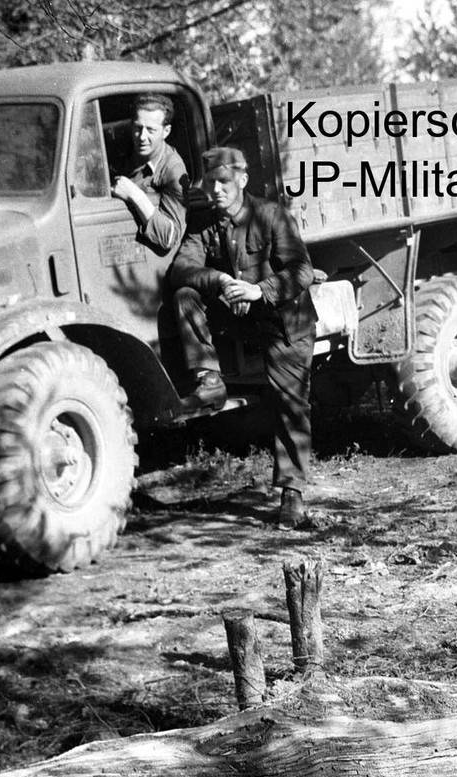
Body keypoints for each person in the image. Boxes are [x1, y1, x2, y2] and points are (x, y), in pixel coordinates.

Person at [167, 147, 318, 530]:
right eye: (211, 183)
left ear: (242, 181)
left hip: (285, 319)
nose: (217, 191)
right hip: (240, 319)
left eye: (224, 183)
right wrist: (218, 281)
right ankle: (209, 378)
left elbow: (302, 270)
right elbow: (181, 268)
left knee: (289, 401)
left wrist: (259, 290)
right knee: (185, 295)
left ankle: (291, 495)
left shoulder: (270, 215)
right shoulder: (206, 224)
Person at [112, 93, 188, 255]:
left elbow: (169, 237)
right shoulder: (123, 149)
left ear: (166, 131)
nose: (142, 137)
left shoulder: (172, 169)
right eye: (138, 128)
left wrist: (134, 194)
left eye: (151, 130)